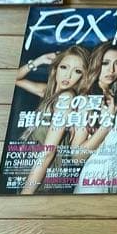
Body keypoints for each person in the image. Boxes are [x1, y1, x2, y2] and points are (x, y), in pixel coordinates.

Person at [16, 44, 92, 194]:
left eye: (77, 71)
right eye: (64, 67)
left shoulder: (66, 98)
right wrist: (38, 61)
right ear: (55, 68)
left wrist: (26, 193)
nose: (68, 76)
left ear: (83, 76)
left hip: (44, 180)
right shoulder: (48, 92)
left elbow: (48, 152)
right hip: (33, 173)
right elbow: (14, 78)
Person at [72, 42, 117, 194]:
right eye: (105, 63)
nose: (111, 70)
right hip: (97, 181)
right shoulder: (87, 100)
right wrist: (108, 122)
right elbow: (77, 157)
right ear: (96, 64)